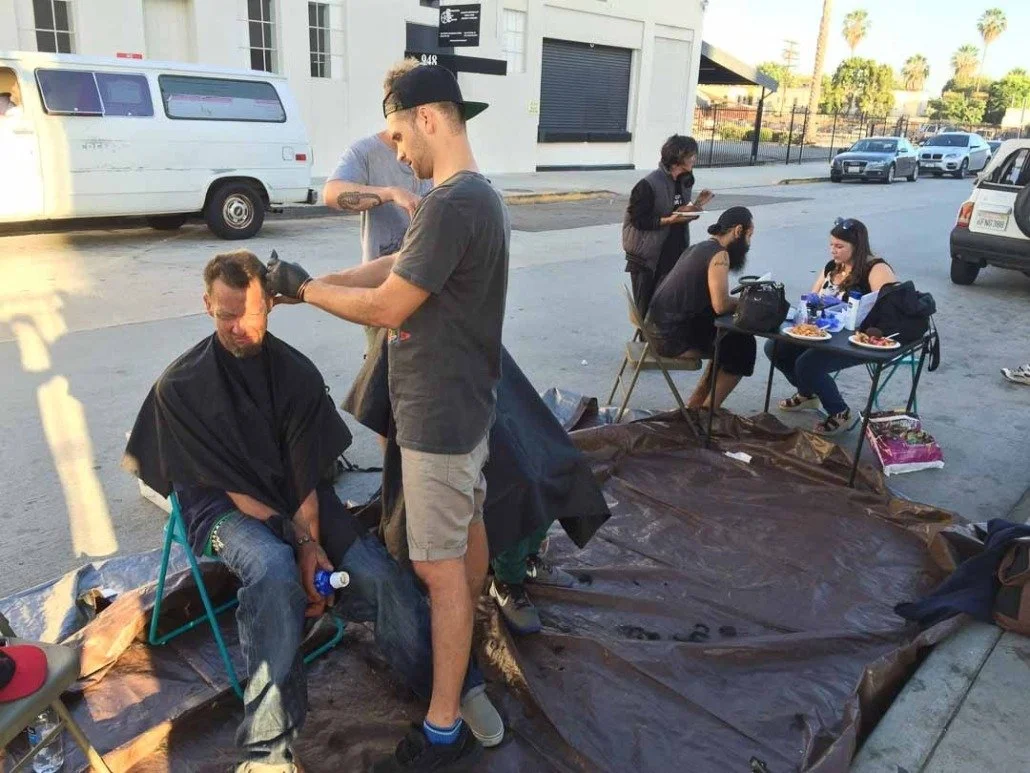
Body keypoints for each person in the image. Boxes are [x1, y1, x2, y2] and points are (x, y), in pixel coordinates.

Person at [123, 251, 503, 773]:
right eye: (225, 314)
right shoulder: (180, 387)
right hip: (220, 507)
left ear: (271, 306)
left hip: (296, 497)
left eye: (250, 313)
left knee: (380, 578)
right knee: (273, 569)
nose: (238, 327)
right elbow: (229, 491)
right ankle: (269, 751)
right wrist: (301, 549)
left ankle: (457, 686)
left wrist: (312, 541)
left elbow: (308, 479)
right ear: (207, 305)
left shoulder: (295, 374)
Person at [265, 64, 507, 772]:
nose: (397, 150)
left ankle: (442, 725)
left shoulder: (450, 203)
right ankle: (469, 662)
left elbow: (390, 305)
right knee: (464, 541)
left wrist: (306, 291)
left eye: (400, 134)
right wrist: (310, 282)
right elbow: (397, 266)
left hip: (437, 420)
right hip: (467, 408)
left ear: (429, 119)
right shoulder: (475, 198)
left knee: (438, 571)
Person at [323, 59, 432, 353]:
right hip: (381, 291)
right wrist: (389, 193)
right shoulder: (366, 152)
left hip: (427, 295)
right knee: (379, 382)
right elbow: (332, 193)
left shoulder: (436, 151)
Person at [766, 217, 898, 434]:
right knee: (775, 348)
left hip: (857, 340)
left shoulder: (876, 269)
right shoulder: (832, 268)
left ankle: (839, 411)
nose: (833, 251)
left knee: (808, 365)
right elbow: (812, 296)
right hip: (824, 333)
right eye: (831, 245)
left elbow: (889, 309)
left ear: (857, 246)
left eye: (839, 246)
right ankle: (807, 394)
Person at [645, 206, 757, 411]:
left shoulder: (699, 247)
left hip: (654, 330)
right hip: (670, 339)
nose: (749, 244)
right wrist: (746, 302)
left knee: (727, 339)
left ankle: (697, 405)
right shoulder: (720, 255)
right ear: (738, 231)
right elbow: (721, 304)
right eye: (749, 236)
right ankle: (708, 412)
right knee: (743, 346)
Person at [622, 134, 713, 315]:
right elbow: (638, 220)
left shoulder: (684, 180)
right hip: (647, 256)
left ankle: (662, 342)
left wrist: (698, 205)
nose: (694, 159)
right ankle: (645, 341)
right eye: (691, 155)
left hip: (675, 253)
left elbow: (679, 210)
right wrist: (668, 221)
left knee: (667, 308)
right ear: (677, 158)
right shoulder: (648, 184)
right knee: (646, 310)